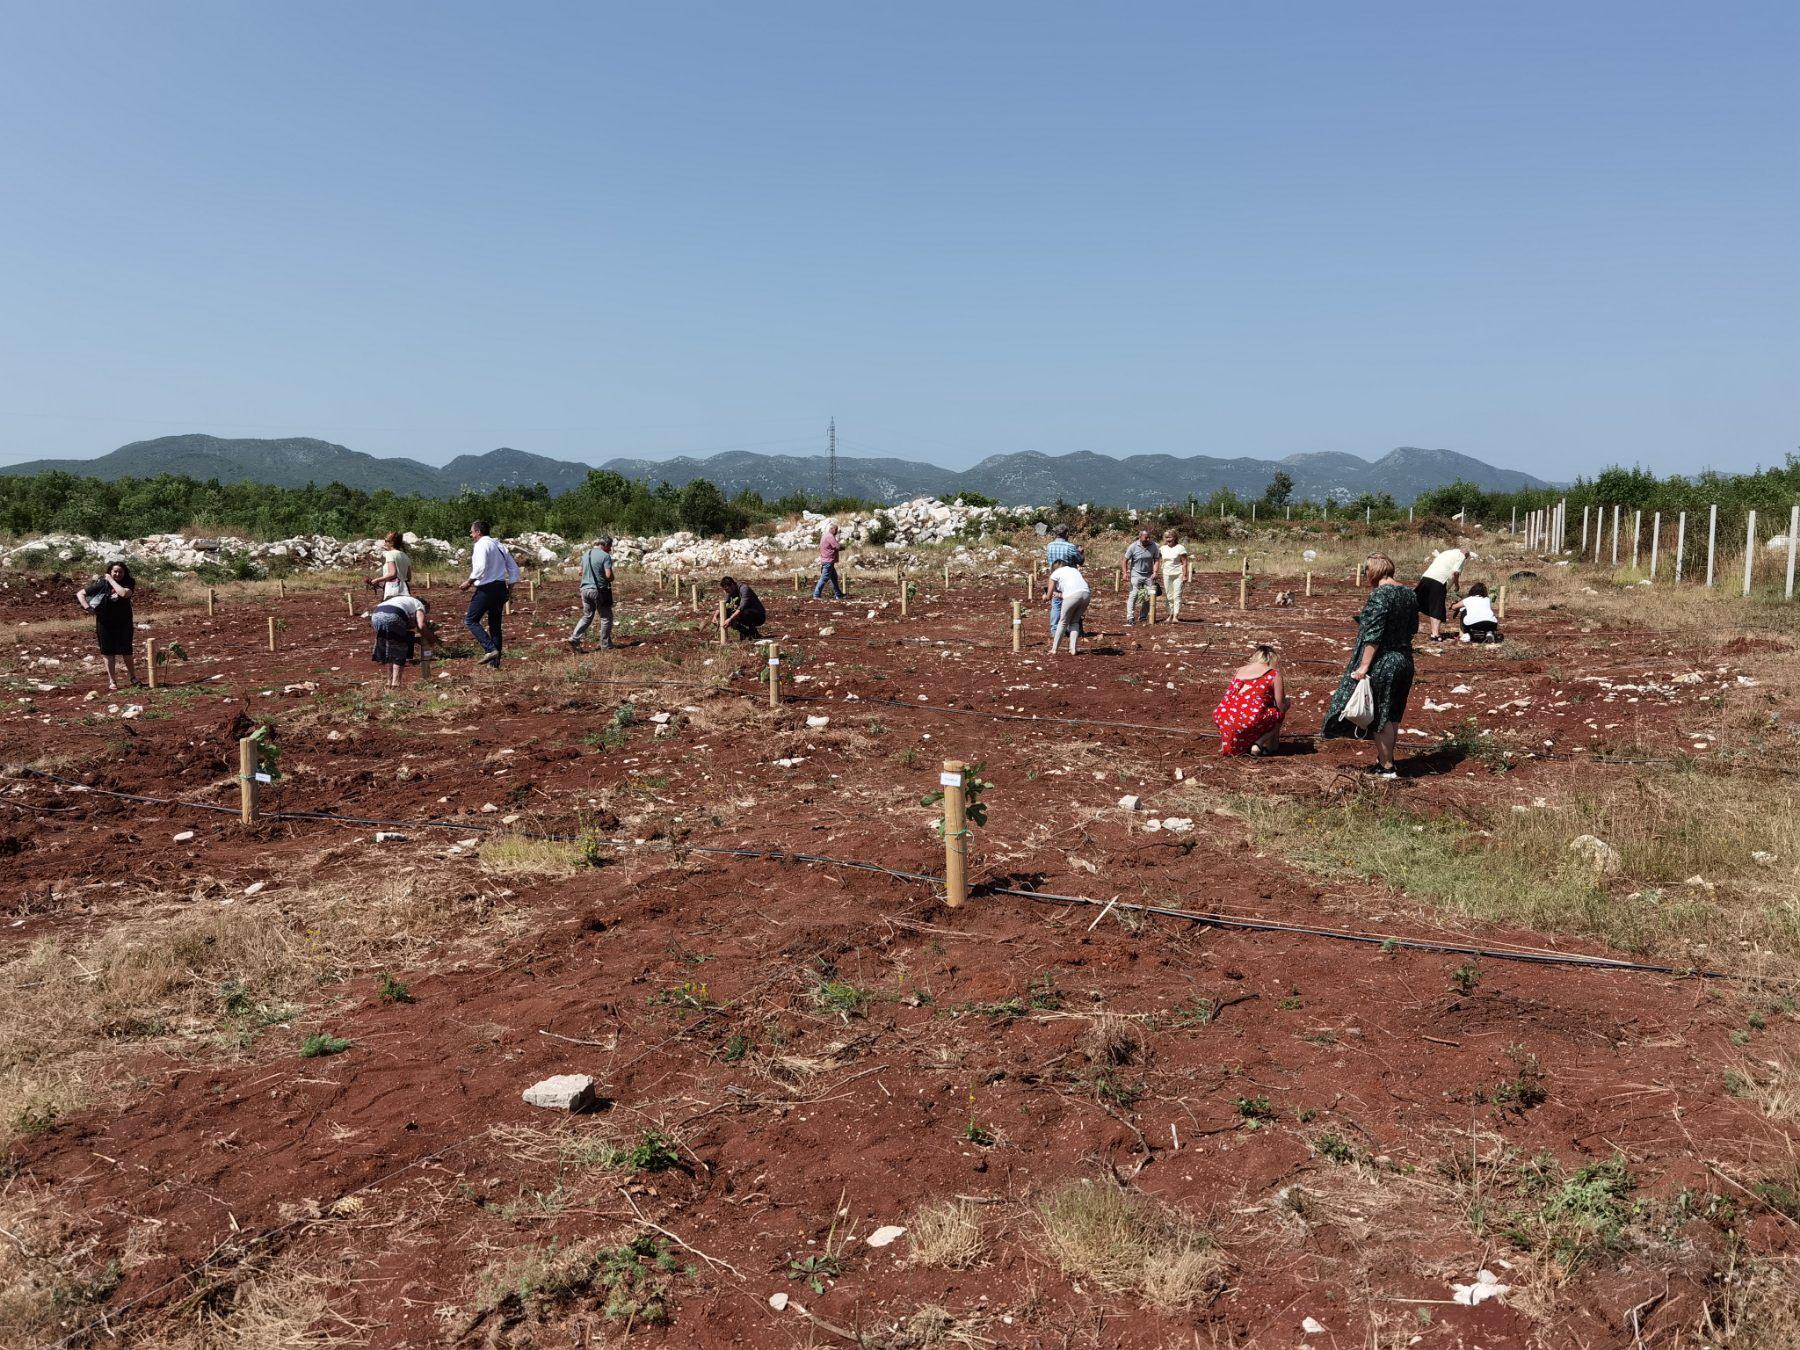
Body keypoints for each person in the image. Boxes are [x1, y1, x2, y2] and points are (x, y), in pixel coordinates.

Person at [1322, 554, 1419, 779]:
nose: (1366, 575)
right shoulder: (1409, 594)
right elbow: (1412, 627)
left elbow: (1374, 634)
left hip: (1385, 660)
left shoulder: (1380, 595)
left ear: (1373, 571)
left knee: (1381, 715)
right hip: (1405, 659)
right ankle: (1386, 760)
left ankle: (1387, 767)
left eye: (1366, 571)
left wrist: (1364, 666)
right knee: (1393, 713)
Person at [459, 520, 519, 667]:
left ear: (478, 532)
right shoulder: (499, 546)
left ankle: (490, 649)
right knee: (495, 626)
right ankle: (495, 664)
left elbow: (480, 567)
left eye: (472, 532)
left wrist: (469, 582)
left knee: (471, 620)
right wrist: (508, 591)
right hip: (500, 588)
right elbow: (514, 570)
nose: (471, 534)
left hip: (486, 589)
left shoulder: (481, 545)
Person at [1213, 643, 1289, 756]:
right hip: (1249, 718)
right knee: (1279, 713)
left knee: (1240, 717)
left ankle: (1230, 744)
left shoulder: (1240, 671)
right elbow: (1280, 705)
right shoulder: (1273, 674)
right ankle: (1260, 743)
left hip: (1222, 716)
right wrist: (1287, 704)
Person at [77, 560, 139, 690]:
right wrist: (88, 608)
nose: (118, 574)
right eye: (115, 571)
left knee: (126, 650)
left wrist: (111, 580)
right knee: (108, 652)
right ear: (110, 572)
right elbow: (80, 593)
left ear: (124, 573)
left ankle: (133, 677)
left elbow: (123, 593)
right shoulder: (101, 584)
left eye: (120, 572)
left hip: (124, 622)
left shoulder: (129, 582)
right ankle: (112, 681)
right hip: (105, 623)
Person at [370, 593, 431, 688]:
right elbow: (421, 626)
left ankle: (389, 682)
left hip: (376, 615)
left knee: (388, 648)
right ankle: (396, 684)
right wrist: (431, 638)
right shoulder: (420, 606)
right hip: (394, 615)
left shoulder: (404, 600)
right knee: (399, 649)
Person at [570, 536, 616, 651]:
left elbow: (580, 572)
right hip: (598, 590)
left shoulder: (586, 554)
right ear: (605, 545)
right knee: (606, 617)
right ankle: (605, 645)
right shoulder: (605, 556)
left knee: (587, 616)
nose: (610, 549)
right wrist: (611, 578)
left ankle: (575, 637)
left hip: (584, 589)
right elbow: (609, 575)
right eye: (609, 547)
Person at [1416, 543, 1470, 641]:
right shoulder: (1462, 555)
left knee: (1416, 601)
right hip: (1440, 581)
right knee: (1437, 607)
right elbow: (1455, 572)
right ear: (1466, 554)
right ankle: (1435, 634)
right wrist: (1457, 585)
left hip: (1426, 577)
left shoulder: (1446, 553)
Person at [1045, 525, 1085, 637]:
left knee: (1056, 604)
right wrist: (1081, 552)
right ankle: (1069, 628)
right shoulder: (1070, 547)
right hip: (1069, 580)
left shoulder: (1049, 545)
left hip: (1054, 578)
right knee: (1071, 604)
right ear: (1066, 533)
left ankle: (1054, 630)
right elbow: (1080, 561)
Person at [1044, 559, 1090, 655]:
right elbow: (1074, 590)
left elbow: (1048, 596)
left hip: (1072, 596)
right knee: (1074, 622)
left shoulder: (1055, 574)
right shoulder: (1074, 570)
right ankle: (1073, 649)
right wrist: (1058, 594)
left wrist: (1045, 597)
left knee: (1063, 622)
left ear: (1053, 569)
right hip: (1086, 594)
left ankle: (1054, 649)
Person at [1121, 529, 1158, 626]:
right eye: (1146, 538)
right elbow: (1125, 560)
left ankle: (1143, 616)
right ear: (1140, 537)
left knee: (1149, 595)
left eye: (1149, 537)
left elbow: (1157, 559)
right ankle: (1130, 617)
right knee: (1134, 594)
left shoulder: (1154, 546)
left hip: (1149, 575)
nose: (1148, 539)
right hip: (1136, 574)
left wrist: (1155, 572)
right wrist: (1125, 573)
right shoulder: (1133, 546)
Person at [364, 532, 412, 599]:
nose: (385, 543)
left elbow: (392, 573)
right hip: (405, 589)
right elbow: (408, 577)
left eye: (386, 541)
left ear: (392, 543)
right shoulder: (405, 556)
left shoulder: (390, 554)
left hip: (393, 588)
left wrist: (377, 580)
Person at [1158, 529, 1191, 622]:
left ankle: (1176, 615)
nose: (1168, 539)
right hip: (1166, 574)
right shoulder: (1162, 548)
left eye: (1170, 537)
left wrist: (1185, 575)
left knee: (1177, 595)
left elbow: (1184, 562)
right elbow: (1158, 560)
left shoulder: (1180, 548)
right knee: (1169, 595)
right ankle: (1170, 614)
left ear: (1175, 537)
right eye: (1166, 537)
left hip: (1178, 574)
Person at [720, 575, 766, 640]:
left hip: (758, 616)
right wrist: (715, 616)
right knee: (726, 612)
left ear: (732, 585)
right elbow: (723, 604)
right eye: (724, 590)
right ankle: (745, 632)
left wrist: (730, 619)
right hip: (743, 613)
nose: (726, 591)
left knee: (745, 612)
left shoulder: (744, 589)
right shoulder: (730, 591)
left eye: (727, 589)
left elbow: (741, 608)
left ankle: (753, 632)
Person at [813, 523, 845, 600]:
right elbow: (837, 546)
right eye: (836, 529)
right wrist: (843, 547)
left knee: (834, 578)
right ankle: (816, 595)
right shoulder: (830, 537)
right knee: (824, 578)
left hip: (827, 560)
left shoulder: (825, 535)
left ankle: (839, 594)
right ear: (832, 529)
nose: (837, 531)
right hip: (828, 561)